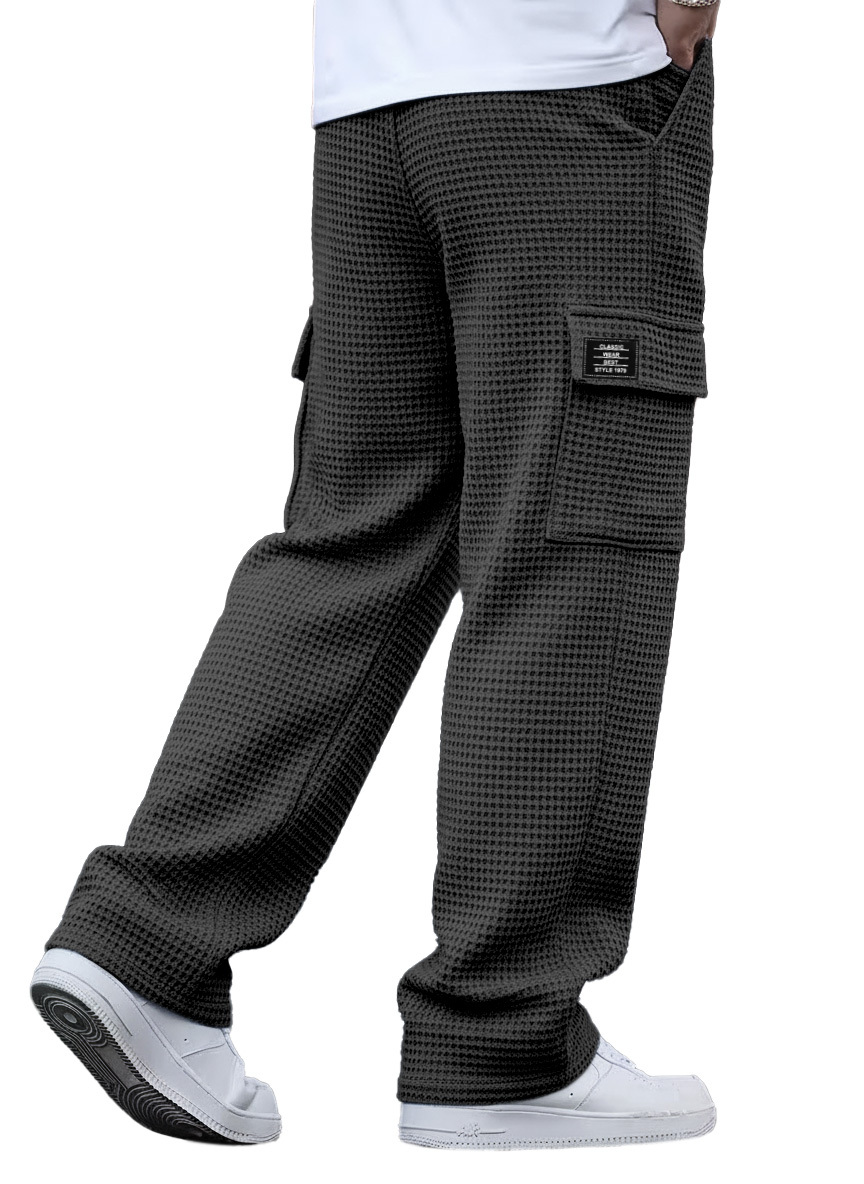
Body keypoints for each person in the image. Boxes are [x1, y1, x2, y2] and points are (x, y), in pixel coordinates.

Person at [30, 0, 721, 1150]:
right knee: (567, 547)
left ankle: (145, 942)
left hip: (371, 100)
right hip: (567, 83)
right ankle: (501, 1031)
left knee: (354, 532)